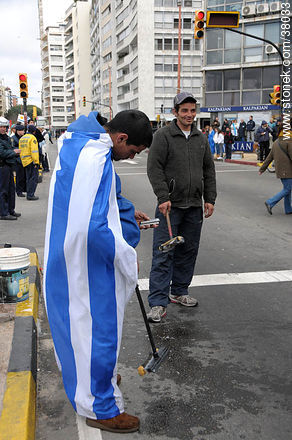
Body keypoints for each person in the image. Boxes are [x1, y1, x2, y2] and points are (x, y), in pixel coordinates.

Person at [44, 110, 153, 434]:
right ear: (120, 139)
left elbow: (98, 196)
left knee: (77, 327)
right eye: (132, 151)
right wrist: (123, 256)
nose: (130, 156)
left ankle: (94, 378)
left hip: (64, 253)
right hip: (87, 260)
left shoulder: (79, 141)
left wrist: (125, 212)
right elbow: (92, 227)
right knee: (99, 330)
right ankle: (101, 405)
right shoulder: (97, 158)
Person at [146, 92, 216, 323]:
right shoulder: (163, 136)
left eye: (192, 110)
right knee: (163, 252)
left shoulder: (200, 138)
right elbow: (155, 168)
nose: (189, 115)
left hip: (194, 205)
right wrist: (162, 196)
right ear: (175, 112)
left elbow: (208, 170)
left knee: (188, 251)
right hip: (170, 206)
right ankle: (157, 302)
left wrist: (210, 198)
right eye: (184, 110)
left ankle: (179, 291)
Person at [259, 122, 292, 215]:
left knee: (287, 188)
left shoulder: (276, 142)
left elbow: (269, 157)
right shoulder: (288, 141)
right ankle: (270, 202)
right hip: (288, 170)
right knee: (287, 189)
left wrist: (262, 169)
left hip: (280, 170)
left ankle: (288, 209)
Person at [0, 117, 21, 220]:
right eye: (1, 127)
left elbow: (9, 149)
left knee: (11, 189)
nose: (3, 129)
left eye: (4, 127)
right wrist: (13, 152)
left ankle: (10, 210)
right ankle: (3, 213)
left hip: (8, 166)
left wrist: (15, 151)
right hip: (2, 166)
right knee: (3, 190)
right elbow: (2, 153)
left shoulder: (7, 138)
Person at [19, 125, 39, 200]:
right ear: (34, 131)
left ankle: (28, 193)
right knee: (33, 179)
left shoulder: (22, 138)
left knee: (28, 178)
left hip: (24, 161)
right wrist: (36, 162)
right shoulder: (32, 138)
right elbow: (34, 151)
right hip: (31, 161)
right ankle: (30, 195)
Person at [11, 124, 26, 197]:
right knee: (19, 176)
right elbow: (12, 148)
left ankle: (22, 189)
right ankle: (18, 191)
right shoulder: (13, 139)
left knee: (23, 175)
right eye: (22, 130)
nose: (23, 131)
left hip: (24, 159)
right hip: (17, 160)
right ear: (18, 131)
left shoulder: (23, 138)